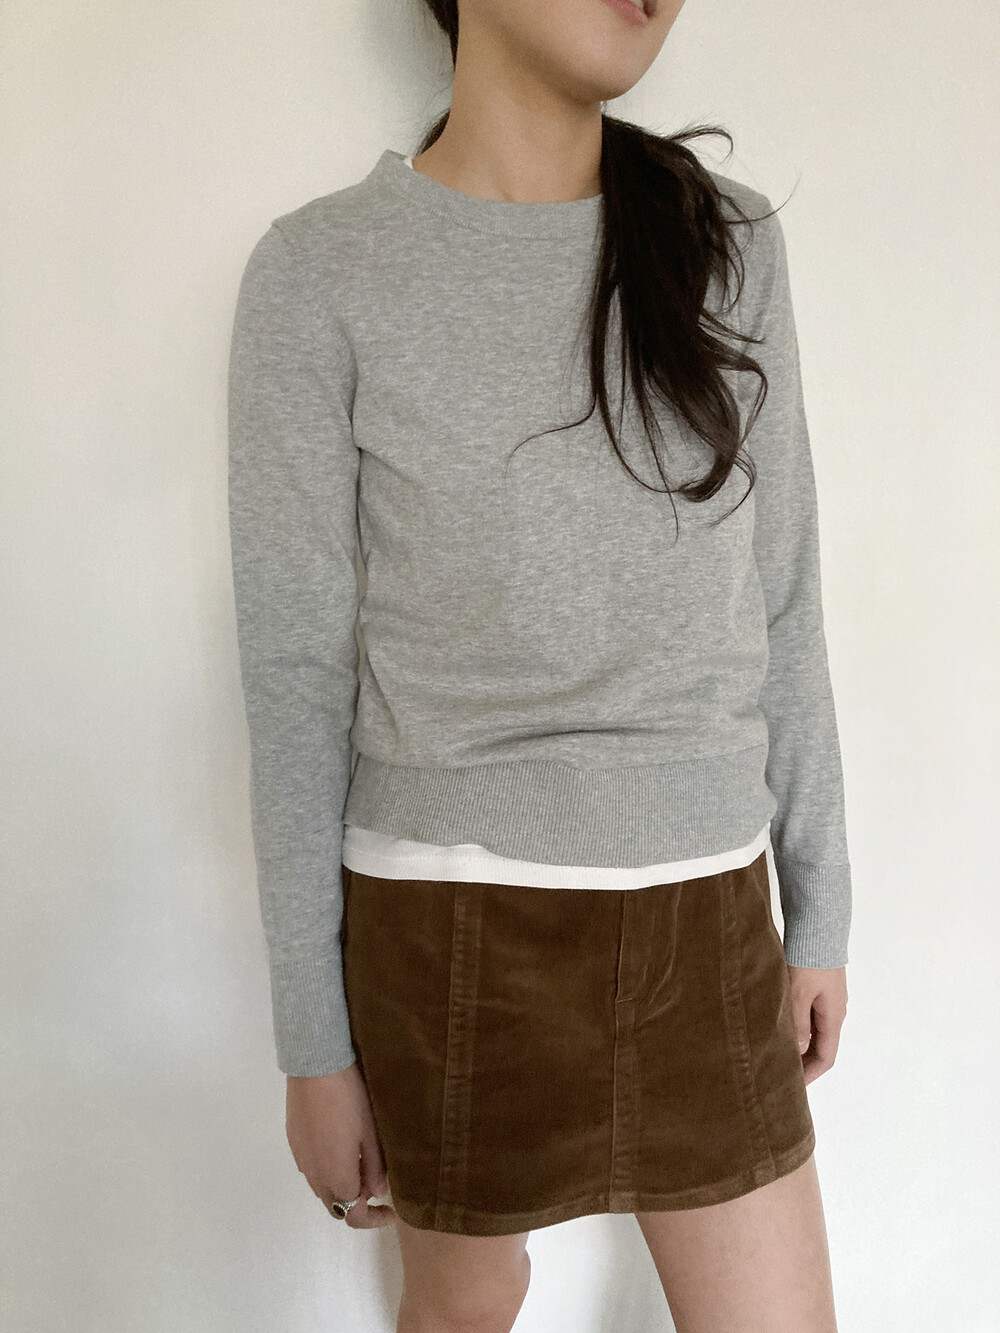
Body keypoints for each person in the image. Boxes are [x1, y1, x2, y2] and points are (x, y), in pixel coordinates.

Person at [226, 1, 851, 1328]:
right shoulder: (323, 272)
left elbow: (785, 594)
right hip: (452, 941)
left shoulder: (728, 246)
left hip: (710, 922)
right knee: (465, 1308)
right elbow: (295, 677)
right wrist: (313, 1044)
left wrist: (820, 908)